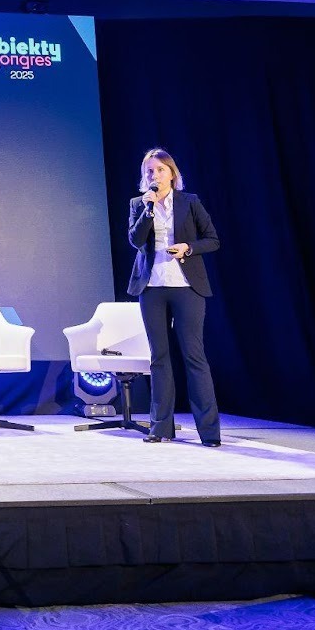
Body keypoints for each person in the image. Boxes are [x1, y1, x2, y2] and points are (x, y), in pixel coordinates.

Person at [127, 148, 222, 446]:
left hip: (186, 287)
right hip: (151, 287)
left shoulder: (189, 202)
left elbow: (212, 240)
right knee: (159, 358)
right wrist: (149, 209)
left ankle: (209, 432)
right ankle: (160, 428)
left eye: (160, 170)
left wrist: (187, 248)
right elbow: (135, 240)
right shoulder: (139, 204)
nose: (154, 175)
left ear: (172, 173)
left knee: (194, 356)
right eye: (149, 171)